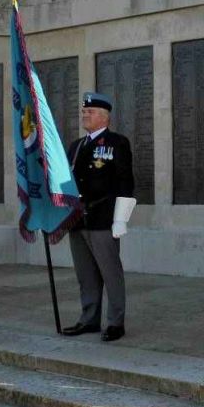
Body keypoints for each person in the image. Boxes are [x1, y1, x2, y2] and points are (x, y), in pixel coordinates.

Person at [62, 92, 136, 342]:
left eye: (90, 112)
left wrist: (121, 219)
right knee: (86, 275)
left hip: (103, 217)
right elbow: (67, 183)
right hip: (78, 220)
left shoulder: (117, 143)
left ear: (104, 117)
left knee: (110, 273)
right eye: (84, 112)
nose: (85, 115)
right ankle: (89, 319)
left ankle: (116, 322)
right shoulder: (76, 146)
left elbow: (126, 182)